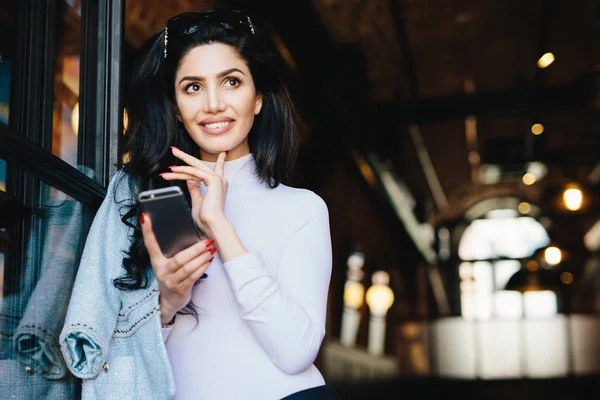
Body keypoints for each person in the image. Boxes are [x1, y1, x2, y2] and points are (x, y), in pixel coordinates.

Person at [59, 9, 338, 400]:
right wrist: (169, 299)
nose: (213, 104)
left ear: (257, 98)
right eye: (192, 87)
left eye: (231, 82)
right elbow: (104, 342)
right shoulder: (139, 196)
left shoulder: (303, 208)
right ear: (175, 105)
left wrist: (220, 226)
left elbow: (295, 352)